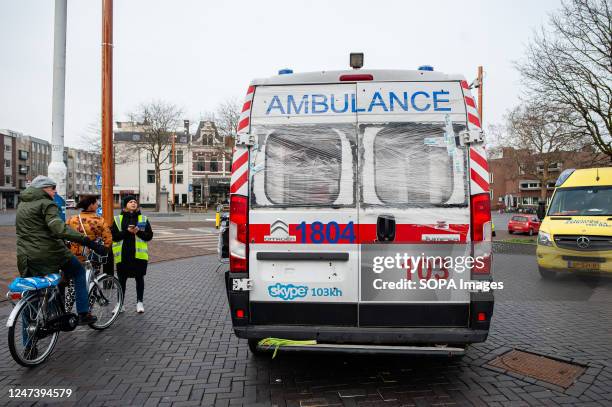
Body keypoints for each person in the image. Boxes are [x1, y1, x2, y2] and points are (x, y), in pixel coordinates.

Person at [15, 176, 105, 326]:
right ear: (43, 189)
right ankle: (83, 313)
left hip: (25, 256)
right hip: (49, 253)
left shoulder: (22, 205)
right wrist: (86, 240)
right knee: (78, 271)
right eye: (52, 188)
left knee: (30, 298)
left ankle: (29, 345)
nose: (55, 191)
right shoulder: (47, 204)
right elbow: (59, 228)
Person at [64, 195, 113, 311]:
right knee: (92, 283)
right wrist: (104, 250)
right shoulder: (99, 220)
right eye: (96, 203)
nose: (98, 205)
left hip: (75, 256)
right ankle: (87, 312)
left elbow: (65, 235)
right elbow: (108, 239)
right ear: (91, 205)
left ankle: (66, 311)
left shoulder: (72, 219)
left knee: (73, 285)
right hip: (92, 257)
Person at [111, 195, 153, 313]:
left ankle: (139, 302)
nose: (134, 203)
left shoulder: (143, 219)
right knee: (121, 280)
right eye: (130, 201)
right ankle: (120, 304)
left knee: (139, 279)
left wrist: (138, 232)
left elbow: (149, 236)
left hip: (139, 256)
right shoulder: (118, 219)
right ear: (125, 205)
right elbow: (114, 237)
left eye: (135, 201)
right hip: (123, 255)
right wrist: (127, 232)